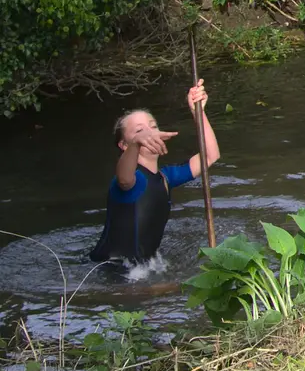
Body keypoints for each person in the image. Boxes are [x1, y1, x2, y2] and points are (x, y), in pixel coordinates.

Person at [90, 80, 219, 265]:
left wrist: (198, 112)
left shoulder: (167, 178)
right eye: (139, 131)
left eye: (153, 126)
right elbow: (124, 179)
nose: (149, 133)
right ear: (124, 145)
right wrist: (136, 144)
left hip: (141, 271)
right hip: (111, 271)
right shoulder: (131, 181)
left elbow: (210, 156)